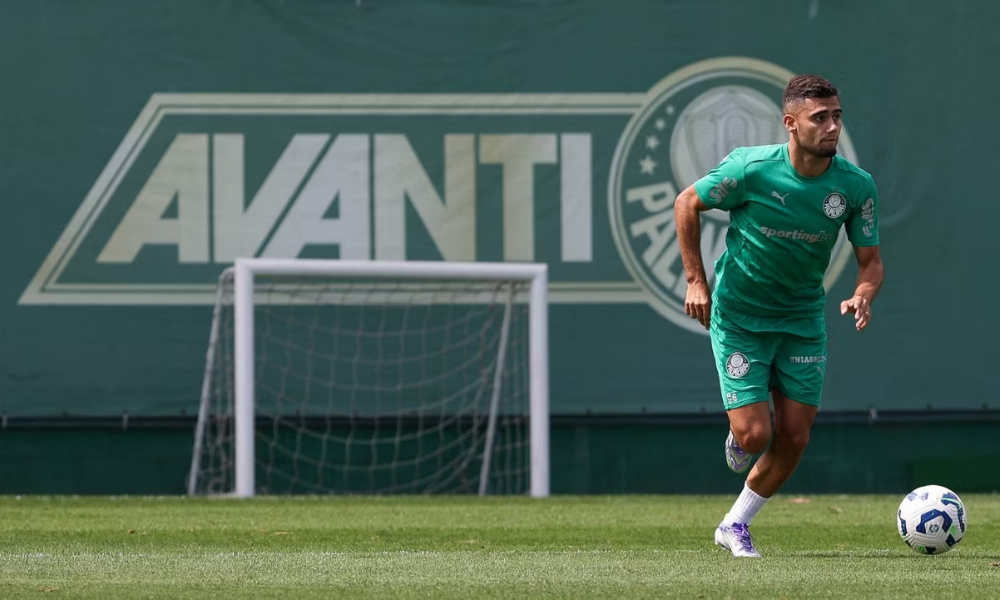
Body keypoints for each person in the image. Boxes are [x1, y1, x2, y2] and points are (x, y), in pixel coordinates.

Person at [673, 74, 885, 558]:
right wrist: (696, 280)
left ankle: (734, 524)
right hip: (742, 316)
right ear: (790, 124)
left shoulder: (855, 187)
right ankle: (739, 432)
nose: (832, 127)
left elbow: (871, 262)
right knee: (754, 435)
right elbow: (687, 202)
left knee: (794, 435)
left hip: (802, 320)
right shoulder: (750, 168)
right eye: (819, 118)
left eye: (837, 117)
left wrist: (864, 293)